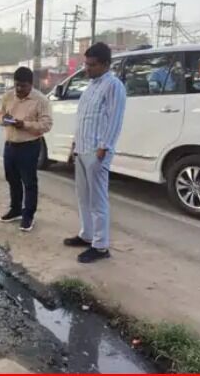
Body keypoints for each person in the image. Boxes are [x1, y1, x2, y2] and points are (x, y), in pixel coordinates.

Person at [63, 42, 126, 263]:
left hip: (97, 151)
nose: (87, 69)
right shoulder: (90, 87)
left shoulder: (113, 86)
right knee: (83, 197)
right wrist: (74, 146)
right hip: (82, 149)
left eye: (92, 65)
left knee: (98, 200)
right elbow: (83, 120)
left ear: (106, 64)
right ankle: (87, 235)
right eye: (86, 64)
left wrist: (104, 148)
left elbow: (115, 120)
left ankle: (100, 246)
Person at [0, 67, 53, 232]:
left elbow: (46, 124)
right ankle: (15, 209)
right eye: (17, 86)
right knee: (12, 179)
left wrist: (25, 125)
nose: (19, 89)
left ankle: (28, 215)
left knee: (29, 182)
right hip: (10, 145)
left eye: (23, 86)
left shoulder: (40, 100)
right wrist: (4, 120)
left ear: (31, 84)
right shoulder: (8, 96)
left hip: (29, 146)